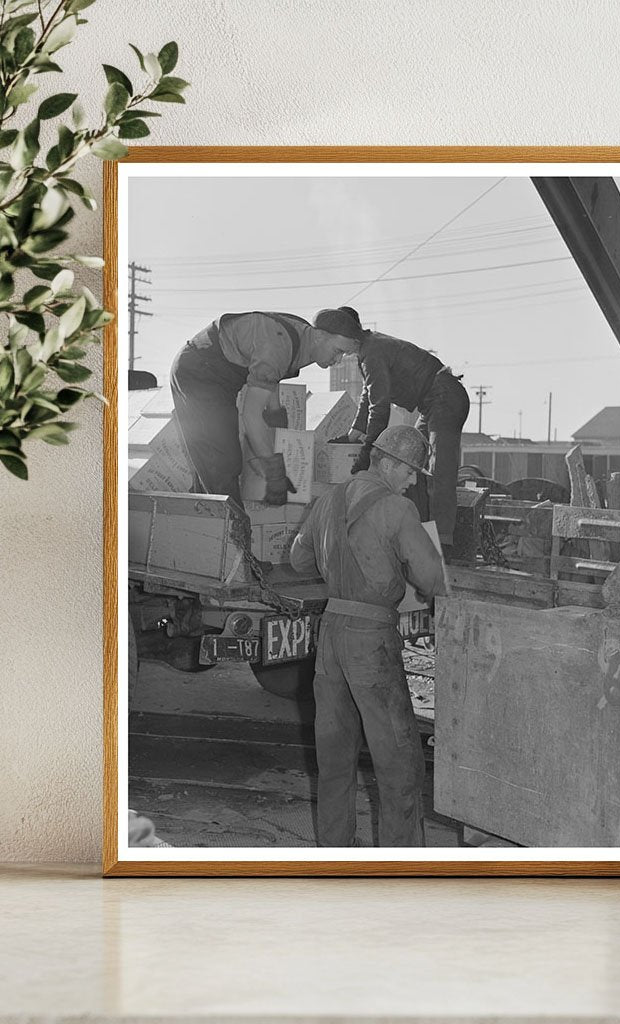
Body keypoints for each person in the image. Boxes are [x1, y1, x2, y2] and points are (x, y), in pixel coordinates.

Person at [289, 425, 448, 847]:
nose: (413, 481)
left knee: (335, 759)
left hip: (330, 640)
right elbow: (432, 577)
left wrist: (339, 569)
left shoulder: (328, 500)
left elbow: (298, 559)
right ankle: (401, 868)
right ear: (389, 464)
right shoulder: (397, 509)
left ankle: (335, 854)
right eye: (411, 472)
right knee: (399, 763)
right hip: (370, 641)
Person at [313, 308, 470, 554]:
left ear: (350, 336)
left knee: (440, 470)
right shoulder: (368, 349)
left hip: (445, 398)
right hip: (433, 403)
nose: (340, 354)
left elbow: (380, 408)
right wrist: (353, 434)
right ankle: (417, 531)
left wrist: (367, 454)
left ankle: (444, 541)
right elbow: (368, 396)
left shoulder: (372, 352)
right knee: (412, 462)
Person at [170, 311, 360, 506]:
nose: (338, 361)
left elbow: (271, 375)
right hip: (198, 372)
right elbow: (251, 415)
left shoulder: (300, 336)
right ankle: (233, 531)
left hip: (217, 378)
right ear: (320, 336)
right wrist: (274, 473)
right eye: (338, 351)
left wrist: (276, 416)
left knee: (218, 459)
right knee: (222, 461)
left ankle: (205, 522)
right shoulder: (280, 344)